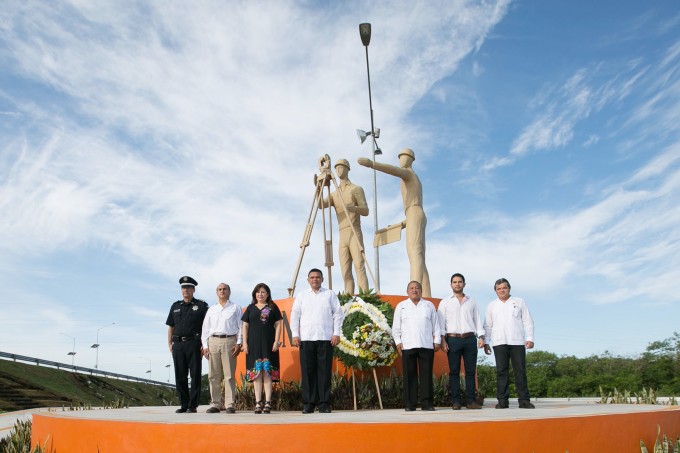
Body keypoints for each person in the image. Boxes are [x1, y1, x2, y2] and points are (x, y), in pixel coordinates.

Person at [357, 149, 431, 297]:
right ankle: (427, 293)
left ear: (411, 159)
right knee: (419, 255)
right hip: (414, 214)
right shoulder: (414, 178)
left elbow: (394, 171)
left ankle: (414, 291)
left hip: (414, 212)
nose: (401, 160)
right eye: (400, 158)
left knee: (414, 253)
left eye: (404, 157)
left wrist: (372, 164)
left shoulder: (409, 174)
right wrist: (403, 224)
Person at [290, 268, 344, 414]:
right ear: (308, 280)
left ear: (322, 279)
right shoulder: (302, 296)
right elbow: (295, 315)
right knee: (308, 373)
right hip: (306, 339)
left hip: (326, 338)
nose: (315, 279)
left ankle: (324, 403)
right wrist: (295, 334)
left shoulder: (329, 294)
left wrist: (336, 333)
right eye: (312, 277)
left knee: (324, 372)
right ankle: (309, 403)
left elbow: (338, 314)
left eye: (318, 277)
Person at [483, 278, 535, 409]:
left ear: (509, 289)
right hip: (499, 342)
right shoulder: (492, 305)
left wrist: (530, 338)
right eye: (499, 289)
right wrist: (486, 342)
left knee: (520, 371)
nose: (502, 290)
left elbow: (527, 321)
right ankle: (502, 401)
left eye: (504, 288)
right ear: (495, 291)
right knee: (501, 372)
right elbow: (488, 326)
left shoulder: (519, 302)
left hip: (517, 341)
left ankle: (524, 400)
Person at [320, 158, 369, 294]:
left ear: (347, 169)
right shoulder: (334, 193)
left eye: (341, 167)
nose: (338, 170)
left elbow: (366, 210)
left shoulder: (356, 189)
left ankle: (365, 296)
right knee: (345, 270)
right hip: (342, 234)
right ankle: (348, 298)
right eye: (336, 168)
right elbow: (320, 205)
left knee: (359, 265)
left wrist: (354, 208)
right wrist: (319, 185)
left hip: (354, 230)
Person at [392, 280, 441, 411]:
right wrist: (398, 342)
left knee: (426, 375)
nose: (414, 290)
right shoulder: (401, 306)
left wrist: (437, 341)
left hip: (426, 345)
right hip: (408, 346)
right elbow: (396, 327)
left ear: (421, 290)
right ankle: (410, 404)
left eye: (417, 288)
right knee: (409, 376)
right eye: (411, 288)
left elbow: (436, 325)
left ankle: (427, 404)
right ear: (407, 291)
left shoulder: (429, 305)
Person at [438, 273, 484, 410]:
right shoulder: (445, 302)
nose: (457, 284)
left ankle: (470, 401)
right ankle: (456, 402)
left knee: (470, 371)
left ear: (464, 284)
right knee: (454, 371)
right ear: (451, 285)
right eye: (455, 282)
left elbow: (477, 320)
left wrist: (481, 337)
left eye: (460, 282)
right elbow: (441, 323)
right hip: (453, 340)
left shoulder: (472, 301)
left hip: (470, 339)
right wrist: (442, 340)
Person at [166, 276, 209, 413]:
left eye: (188, 288)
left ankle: (193, 405)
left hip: (194, 344)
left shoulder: (201, 306)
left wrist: (204, 344)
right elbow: (171, 326)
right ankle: (184, 404)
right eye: (183, 288)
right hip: (178, 344)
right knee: (180, 375)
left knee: (195, 375)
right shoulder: (175, 306)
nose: (185, 290)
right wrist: (169, 343)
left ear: (193, 290)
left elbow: (207, 327)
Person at [200, 283, 242, 414]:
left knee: (229, 375)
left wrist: (239, 343)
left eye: (224, 289)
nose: (222, 291)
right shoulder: (211, 309)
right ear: (216, 292)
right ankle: (215, 404)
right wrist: (205, 346)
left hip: (229, 341)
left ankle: (230, 404)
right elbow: (205, 329)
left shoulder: (236, 307)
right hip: (213, 342)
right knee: (213, 375)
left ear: (229, 291)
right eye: (219, 289)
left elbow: (241, 327)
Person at [241, 283, 283, 414]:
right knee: (257, 375)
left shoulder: (272, 307)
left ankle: (268, 403)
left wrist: (277, 341)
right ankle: (258, 403)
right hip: (253, 345)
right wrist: (245, 343)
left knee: (267, 374)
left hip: (269, 345)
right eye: (258, 292)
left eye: (263, 292)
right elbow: (245, 327)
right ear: (254, 294)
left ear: (268, 294)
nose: (260, 294)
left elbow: (278, 324)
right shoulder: (250, 308)